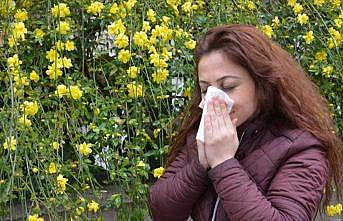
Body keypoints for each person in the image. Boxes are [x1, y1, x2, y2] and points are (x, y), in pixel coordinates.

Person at [148, 24, 342, 221]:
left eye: (228, 86)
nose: (214, 99)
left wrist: (223, 162)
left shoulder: (302, 148)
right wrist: (201, 163)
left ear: (262, 84)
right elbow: (162, 211)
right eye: (206, 90)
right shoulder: (205, 134)